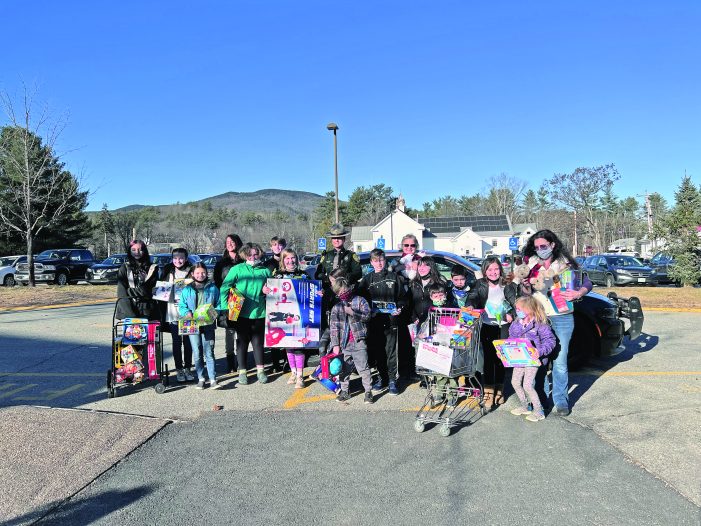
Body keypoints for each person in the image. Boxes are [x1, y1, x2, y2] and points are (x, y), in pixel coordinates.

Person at [517, 229, 592, 416]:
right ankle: (541, 399)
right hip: (539, 317)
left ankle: (560, 401)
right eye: (536, 247)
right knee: (539, 360)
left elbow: (587, 282)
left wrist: (579, 293)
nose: (540, 250)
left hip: (563, 317)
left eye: (543, 246)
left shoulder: (565, 263)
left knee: (559, 361)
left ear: (552, 244)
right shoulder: (531, 263)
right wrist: (525, 284)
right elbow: (525, 293)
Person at [467, 255, 517, 410]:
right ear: (485, 270)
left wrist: (512, 315)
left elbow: (516, 302)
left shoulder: (506, 284)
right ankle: (488, 393)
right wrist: (470, 306)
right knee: (488, 359)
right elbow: (473, 296)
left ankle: (500, 390)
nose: (493, 272)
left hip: (503, 325)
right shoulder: (480, 284)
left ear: (500, 270)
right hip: (487, 325)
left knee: (501, 359)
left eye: (496, 269)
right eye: (490, 269)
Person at [220, 242, 272, 385]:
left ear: (260, 253)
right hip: (241, 312)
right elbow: (225, 287)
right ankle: (242, 371)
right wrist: (226, 307)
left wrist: (267, 291)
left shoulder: (265, 271)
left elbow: (273, 290)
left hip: (259, 312)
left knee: (258, 343)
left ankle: (260, 371)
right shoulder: (237, 269)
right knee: (242, 343)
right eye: (249, 254)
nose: (252, 256)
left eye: (255, 253)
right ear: (244, 255)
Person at [357, 248, 407, 396]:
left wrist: (399, 307)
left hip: (391, 321)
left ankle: (392, 380)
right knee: (378, 351)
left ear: (385, 260)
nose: (379, 263)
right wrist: (367, 311)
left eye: (381, 260)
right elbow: (360, 300)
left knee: (391, 351)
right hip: (375, 321)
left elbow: (403, 298)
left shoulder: (394, 277)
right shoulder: (367, 280)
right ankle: (382, 378)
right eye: (375, 260)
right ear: (371, 262)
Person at [265, 248, 310, 388]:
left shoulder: (304, 275)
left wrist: (319, 292)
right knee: (288, 346)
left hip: (299, 316)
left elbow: (312, 293)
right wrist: (264, 290)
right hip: (283, 316)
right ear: (283, 260)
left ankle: (301, 376)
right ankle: (293, 372)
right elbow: (269, 293)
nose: (290, 261)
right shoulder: (277, 276)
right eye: (287, 259)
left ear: (296, 259)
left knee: (299, 346)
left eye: (292, 258)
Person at [507, 296, 556, 422]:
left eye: (519, 309)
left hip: (533, 360)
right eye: (516, 308)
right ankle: (525, 406)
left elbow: (550, 341)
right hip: (519, 358)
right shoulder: (516, 323)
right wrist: (504, 351)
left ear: (529, 310)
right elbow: (511, 339)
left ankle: (539, 411)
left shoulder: (540, 325)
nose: (517, 311)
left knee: (528, 385)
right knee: (515, 382)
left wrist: (539, 351)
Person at [329, 276, 374, 404]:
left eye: (345, 290)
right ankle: (345, 390)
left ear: (349, 288)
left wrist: (353, 312)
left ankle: (368, 391)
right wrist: (335, 344)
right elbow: (334, 328)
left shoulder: (360, 301)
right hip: (344, 343)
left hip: (358, 340)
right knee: (344, 369)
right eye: (340, 292)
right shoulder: (336, 307)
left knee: (363, 368)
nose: (343, 294)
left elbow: (367, 316)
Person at [179, 263, 221, 389]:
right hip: (193, 324)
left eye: (203, 272)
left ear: (206, 273)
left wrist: (214, 314)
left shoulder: (213, 288)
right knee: (197, 352)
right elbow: (182, 305)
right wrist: (187, 312)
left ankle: (213, 379)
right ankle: (201, 378)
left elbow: (218, 305)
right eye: (197, 273)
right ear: (192, 274)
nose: (200, 275)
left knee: (209, 352)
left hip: (208, 324)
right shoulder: (187, 289)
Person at [159, 247, 195, 383]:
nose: (178, 260)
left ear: (186, 258)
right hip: (173, 313)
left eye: (181, 258)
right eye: (175, 258)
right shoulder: (168, 271)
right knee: (176, 343)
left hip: (188, 314)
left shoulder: (191, 271)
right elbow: (160, 294)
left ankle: (188, 369)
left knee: (188, 343)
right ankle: (179, 369)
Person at [213, 234, 244, 374]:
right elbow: (217, 282)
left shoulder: (244, 260)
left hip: (244, 299)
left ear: (238, 243)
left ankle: (242, 361)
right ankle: (230, 362)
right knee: (230, 331)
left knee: (242, 332)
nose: (230, 244)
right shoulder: (221, 263)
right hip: (229, 300)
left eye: (232, 241)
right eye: (227, 242)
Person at [116, 239, 159, 320]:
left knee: (150, 333)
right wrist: (131, 316)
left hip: (148, 311)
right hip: (128, 311)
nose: (137, 252)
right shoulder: (124, 268)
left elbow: (150, 291)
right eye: (133, 250)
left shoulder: (152, 268)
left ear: (144, 251)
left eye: (140, 249)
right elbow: (121, 294)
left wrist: (129, 291)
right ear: (129, 251)